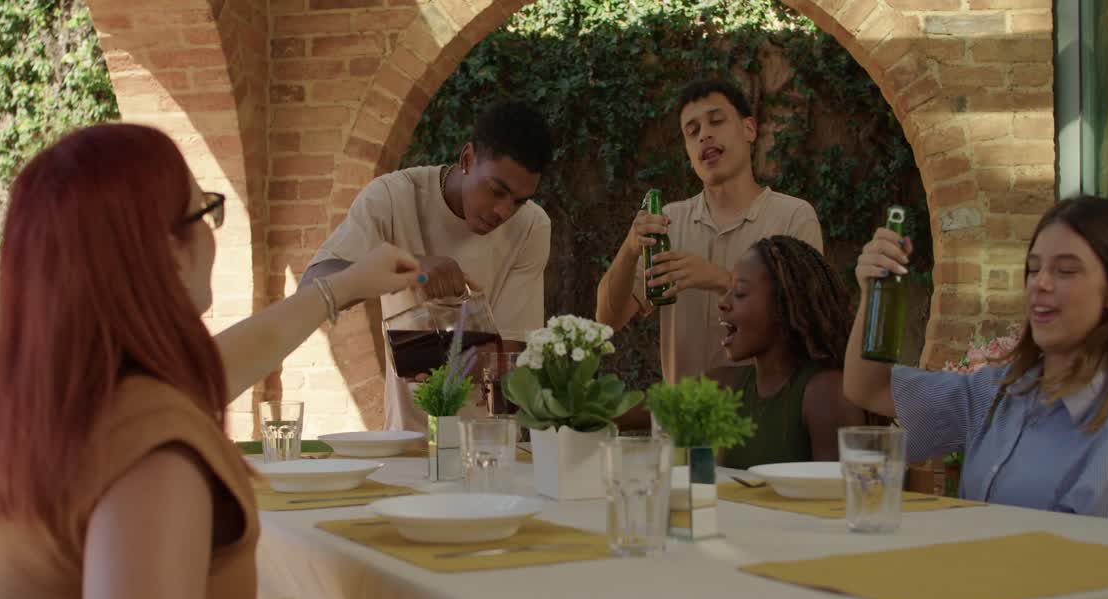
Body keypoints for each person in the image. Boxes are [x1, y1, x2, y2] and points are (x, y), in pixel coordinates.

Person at [0, 123, 422, 599]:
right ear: (166, 249)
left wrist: (343, 287)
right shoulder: (148, 451)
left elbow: (227, 363)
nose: (210, 233)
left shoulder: (54, 404)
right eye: (203, 210)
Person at [844, 195, 1108, 522]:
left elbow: (1103, 566)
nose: (1040, 283)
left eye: (1066, 271)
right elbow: (869, 388)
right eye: (1033, 268)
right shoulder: (998, 392)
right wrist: (873, 295)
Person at [300, 99, 553, 432]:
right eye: (496, 191)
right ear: (467, 159)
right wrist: (408, 268)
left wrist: (483, 357)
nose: (504, 211)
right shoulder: (392, 198)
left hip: (493, 447)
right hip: (407, 442)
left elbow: (512, 351)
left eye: (519, 201)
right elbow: (312, 288)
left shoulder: (532, 227)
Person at [596, 78, 823, 387]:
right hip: (683, 422)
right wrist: (629, 247)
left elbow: (810, 320)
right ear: (688, 150)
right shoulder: (668, 222)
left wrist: (721, 280)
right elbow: (607, 320)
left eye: (716, 121)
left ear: (749, 130)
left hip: (764, 420)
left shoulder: (794, 216)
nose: (705, 135)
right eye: (692, 131)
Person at [707, 235, 866, 467]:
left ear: (784, 305)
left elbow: (836, 498)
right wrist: (632, 251)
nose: (723, 301)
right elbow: (642, 408)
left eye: (740, 292)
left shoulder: (825, 393)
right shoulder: (724, 386)